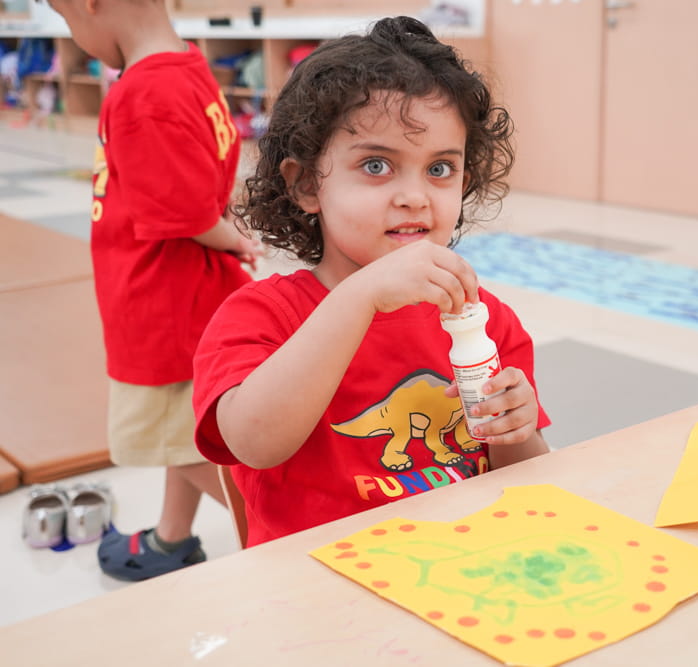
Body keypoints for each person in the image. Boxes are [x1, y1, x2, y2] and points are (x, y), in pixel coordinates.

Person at [193, 16, 551, 547]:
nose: (415, 196)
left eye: (439, 169)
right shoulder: (262, 316)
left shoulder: (484, 317)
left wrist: (517, 431)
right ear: (307, 184)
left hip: (461, 562)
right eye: (378, 166)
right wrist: (359, 296)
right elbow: (254, 443)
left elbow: (528, 483)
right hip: (319, 584)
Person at [46, 0, 261, 579]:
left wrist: (228, 239)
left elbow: (186, 213)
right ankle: (172, 537)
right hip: (188, 294)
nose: (77, 37)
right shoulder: (188, 68)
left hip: (163, 305)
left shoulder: (143, 93)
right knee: (183, 434)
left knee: (181, 443)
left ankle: (275, 530)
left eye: (69, 23)